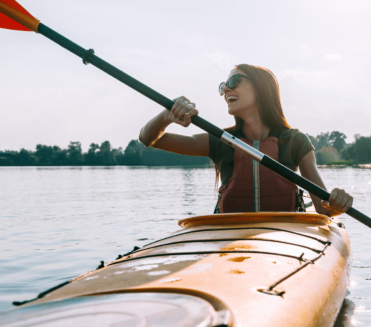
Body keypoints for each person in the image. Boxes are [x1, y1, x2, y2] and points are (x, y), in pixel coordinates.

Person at [138, 64, 353, 216]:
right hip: (230, 240)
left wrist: (338, 202)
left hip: (284, 239)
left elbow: (323, 208)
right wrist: (166, 116)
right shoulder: (220, 140)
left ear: (261, 88)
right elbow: (149, 139)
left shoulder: (296, 141)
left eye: (233, 81)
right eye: (223, 85)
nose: (226, 90)